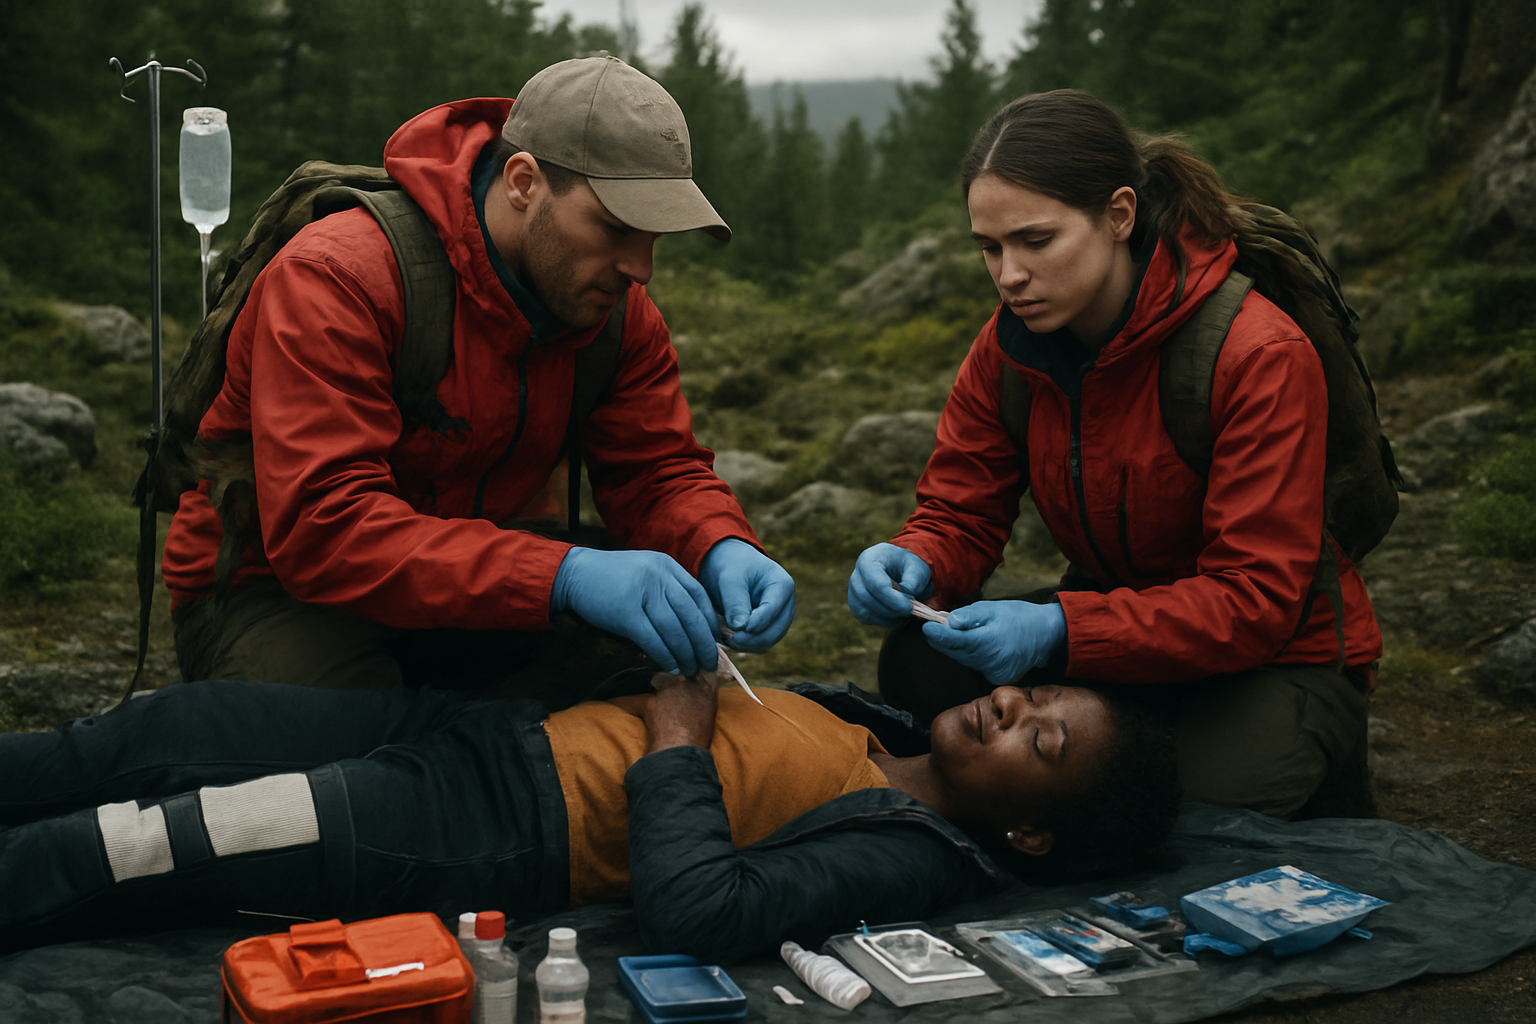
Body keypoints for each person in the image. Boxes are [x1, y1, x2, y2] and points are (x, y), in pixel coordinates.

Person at [161, 55, 794, 698]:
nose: (640, 269)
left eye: (654, 236)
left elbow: (655, 470)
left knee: (663, 692)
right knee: (360, 760)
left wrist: (718, 545)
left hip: (481, 571)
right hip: (276, 591)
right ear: (523, 182)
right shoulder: (340, 278)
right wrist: (564, 577)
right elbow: (326, 528)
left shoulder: (614, 318)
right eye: (615, 228)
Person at [847, 89, 1382, 820]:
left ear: (1119, 215)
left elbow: (1255, 601)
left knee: (1180, 810)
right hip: (1117, 627)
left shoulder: (1256, 353)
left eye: (1036, 241)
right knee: (916, 661)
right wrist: (921, 560)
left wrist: (1062, 630)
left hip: (1277, 654)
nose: (1008, 275)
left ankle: (1321, 749)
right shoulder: (1008, 349)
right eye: (990, 248)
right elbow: (962, 506)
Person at [0, 676, 1180, 961]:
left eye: (1047, 739)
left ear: (1033, 835)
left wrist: (676, 736)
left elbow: (701, 907)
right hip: (472, 728)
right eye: (1038, 693)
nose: (1017, 704)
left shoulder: (910, 856)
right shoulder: (868, 724)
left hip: (481, 825)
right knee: (147, 735)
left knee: (132, 840)